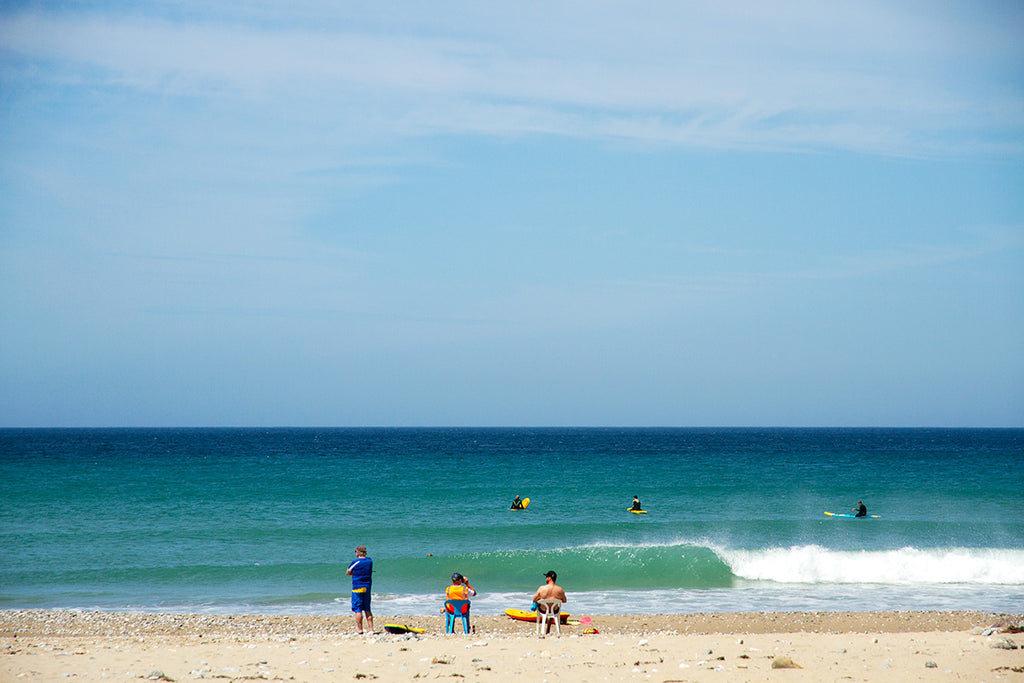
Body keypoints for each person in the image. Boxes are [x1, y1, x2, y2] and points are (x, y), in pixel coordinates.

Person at [346, 545, 374, 634]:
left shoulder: (356, 561)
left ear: (358, 552)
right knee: (367, 608)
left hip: (357, 587)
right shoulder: (369, 561)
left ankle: (360, 629)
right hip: (367, 587)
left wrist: (355, 574)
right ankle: (371, 629)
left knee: (358, 609)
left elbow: (348, 572)